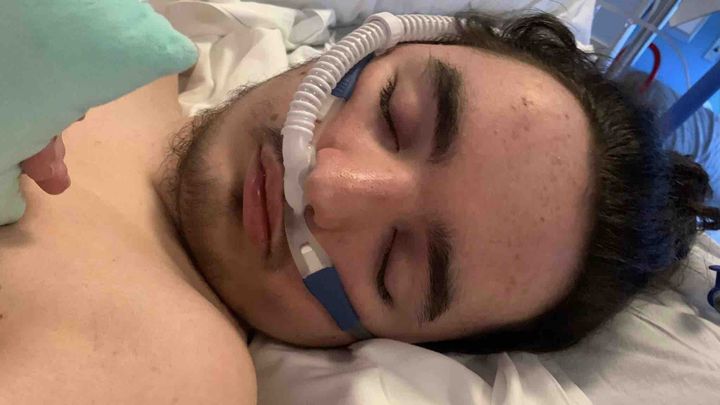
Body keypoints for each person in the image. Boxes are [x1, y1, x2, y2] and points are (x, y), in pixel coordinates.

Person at [1, 12, 717, 403]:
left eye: (396, 264)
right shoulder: (144, 34)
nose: (327, 186)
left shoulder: (166, 369)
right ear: (379, 39)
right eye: (395, 117)